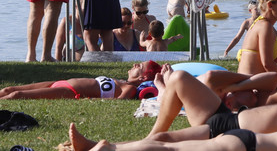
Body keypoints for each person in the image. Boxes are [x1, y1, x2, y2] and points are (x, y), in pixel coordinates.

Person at [68, 94, 277, 151]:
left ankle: (105, 148)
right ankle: (107, 149)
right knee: (169, 147)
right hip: (239, 137)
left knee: (171, 146)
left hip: (242, 138)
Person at [0, 60, 161, 100]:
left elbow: (119, 101)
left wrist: (89, 100)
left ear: (143, 77)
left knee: (17, 95)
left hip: (70, 91)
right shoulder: (121, 81)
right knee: (9, 90)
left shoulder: (130, 89)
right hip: (62, 82)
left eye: (138, 66)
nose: (134, 64)